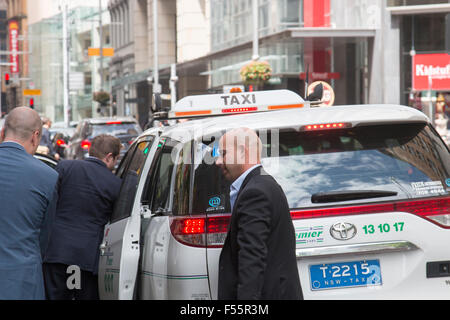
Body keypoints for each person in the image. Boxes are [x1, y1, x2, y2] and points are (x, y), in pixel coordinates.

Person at [215, 127, 302, 300]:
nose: (217, 161)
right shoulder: (263, 184)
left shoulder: (255, 193)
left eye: (223, 154)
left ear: (242, 152)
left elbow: (252, 258)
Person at [43, 134, 122, 300]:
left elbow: (50, 203)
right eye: (116, 159)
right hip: (86, 257)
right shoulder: (114, 184)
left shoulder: (64, 167)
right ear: (109, 157)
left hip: (56, 251)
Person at [0, 107, 58, 299]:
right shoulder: (47, 177)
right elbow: (45, 236)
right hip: (23, 281)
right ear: (35, 137)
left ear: (2, 133)